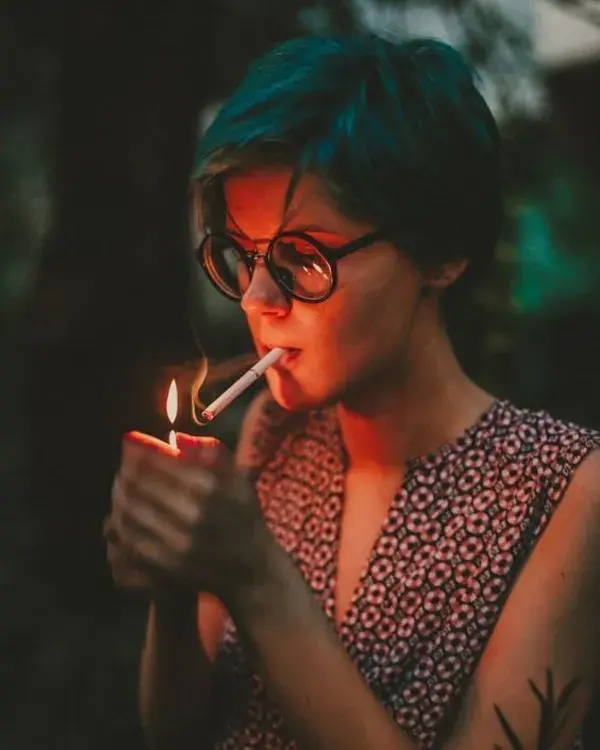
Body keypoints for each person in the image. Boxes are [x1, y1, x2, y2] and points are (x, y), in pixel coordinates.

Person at [106, 35, 600, 749]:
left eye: (302, 258)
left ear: (441, 251)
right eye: (239, 255)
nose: (256, 297)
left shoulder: (561, 490)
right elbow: (177, 730)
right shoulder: (276, 433)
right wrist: (175, 585)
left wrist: (258, 581)